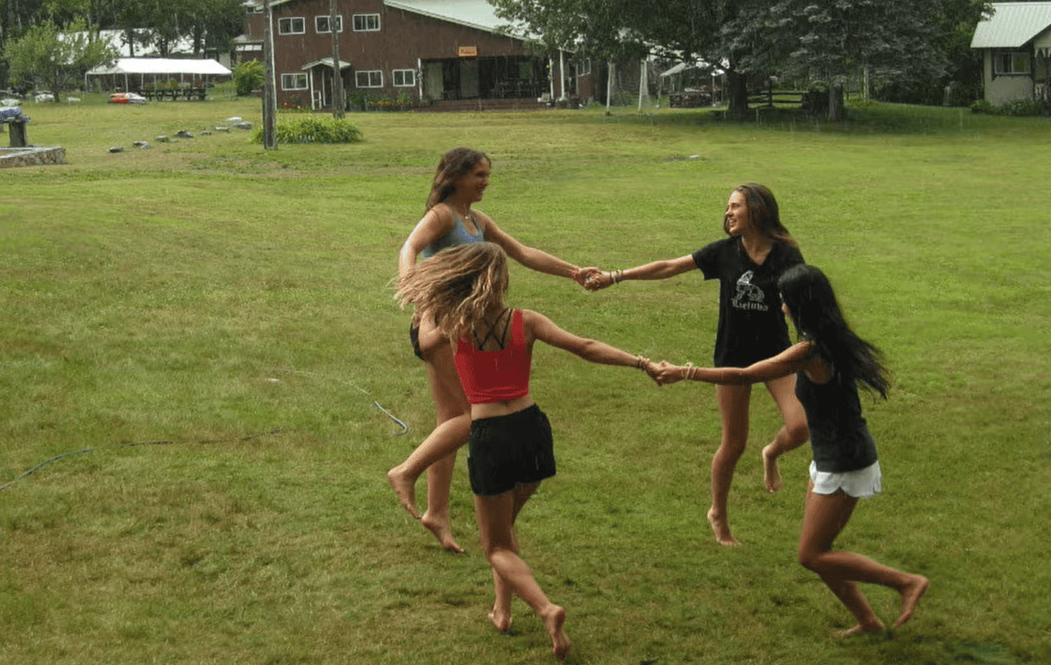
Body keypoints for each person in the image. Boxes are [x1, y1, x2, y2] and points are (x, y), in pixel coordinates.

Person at [396, 242, 658, 660]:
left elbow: (425, 343)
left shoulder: (455, 325)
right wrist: (644, 363)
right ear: (501, 283)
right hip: (532, 430)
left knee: (496, 547)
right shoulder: (527, 320)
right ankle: (502, 611)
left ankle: (545, 608)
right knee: (507, 525)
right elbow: (586, 346)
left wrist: (430, 302)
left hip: (491, 438)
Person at [652, 264, 929, 636]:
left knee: (811, 554)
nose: (779, 304)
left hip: (845, 461)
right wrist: (771, 454)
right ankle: (868, 622)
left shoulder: (810, 351)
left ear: (800, 303)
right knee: (821, 551)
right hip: (836, 454)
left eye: (784, 298)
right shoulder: (832, 336)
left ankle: (905, 583)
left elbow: (745, 375)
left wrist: (685, 372)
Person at [580, 183, 808, 546]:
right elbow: (669, 266)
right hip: (732, 355)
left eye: (735, 206)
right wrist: (615, 276)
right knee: (733, 444)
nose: (728, 213)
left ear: (756, 210)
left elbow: (803, 299)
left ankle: (771, 453)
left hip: (775, 354)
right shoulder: (724, 252)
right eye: (727, 207)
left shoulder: (786, 255)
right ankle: (717, 511)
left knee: (800, 426)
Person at [388, 147, 588, 553]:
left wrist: (574, 272)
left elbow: (523, 252)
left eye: (487, 175)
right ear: (456, 175)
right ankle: (405, 472)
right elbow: (407, 249)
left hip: (459, 329)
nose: (484, 182)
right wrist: (413, 289)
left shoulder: (476, 221)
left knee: (450, 420)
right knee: (471, 417)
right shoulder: (443, 215)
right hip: (442, 328)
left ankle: (436, 513)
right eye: (478, 175)